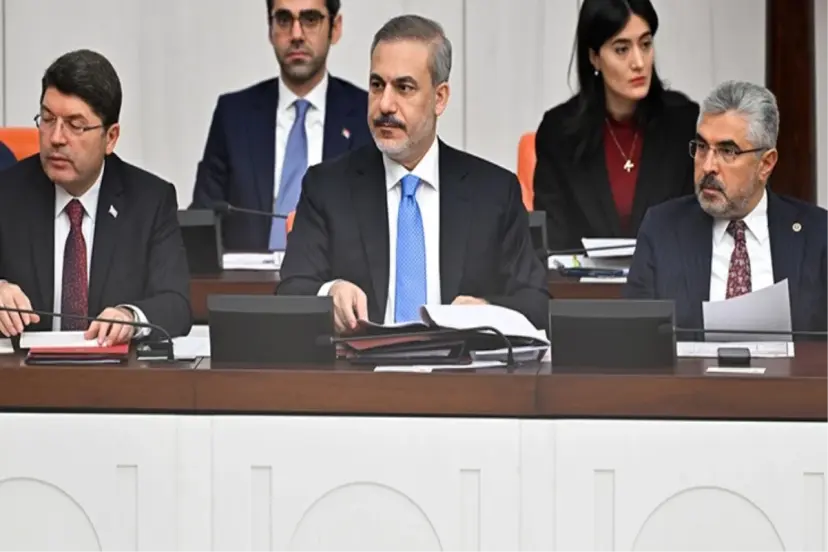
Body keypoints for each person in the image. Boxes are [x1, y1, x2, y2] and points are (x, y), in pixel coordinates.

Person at [278, 14, 548, 333]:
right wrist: (329, 292)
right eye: (377, 85)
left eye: (404, 88)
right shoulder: (327, 187)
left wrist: (487, 312)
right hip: (360, 362)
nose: (385, 105)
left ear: (439, 98)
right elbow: (291, 291)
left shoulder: (494, 192)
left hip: (461, 363)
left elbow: (536, 303)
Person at [0, 49, 192, 343]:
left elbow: (176, 304)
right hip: (22, 369)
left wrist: (130, 317)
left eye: (75, 125)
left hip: (112, 369)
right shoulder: (7, 193)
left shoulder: (150, 201)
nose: (56, 138)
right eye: (48, 119)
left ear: (110, 137)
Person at [624, 81, 828, 337]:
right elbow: (635, 337)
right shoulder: (662, 229)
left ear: (765, 164)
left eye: (727, 151)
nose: (708, 166)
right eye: (701, 147)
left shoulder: (818, 235)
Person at [191, 0, 372, 251]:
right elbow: (203, 219)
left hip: (338, 275)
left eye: (310, 19)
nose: (296, 34)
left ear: (336, 27)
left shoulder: (367, 115)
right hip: (246, 276)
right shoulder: (233, 115)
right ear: (270, 28)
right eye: (284, 20)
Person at [533, 0, 698, 251]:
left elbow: (695, 229)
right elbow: (552, 246)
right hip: (584, 277)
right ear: (594, 58)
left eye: (645, 44)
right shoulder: (558, 133)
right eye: (622, 49)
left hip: (667, 275)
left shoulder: (683, 123)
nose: (639, 62)